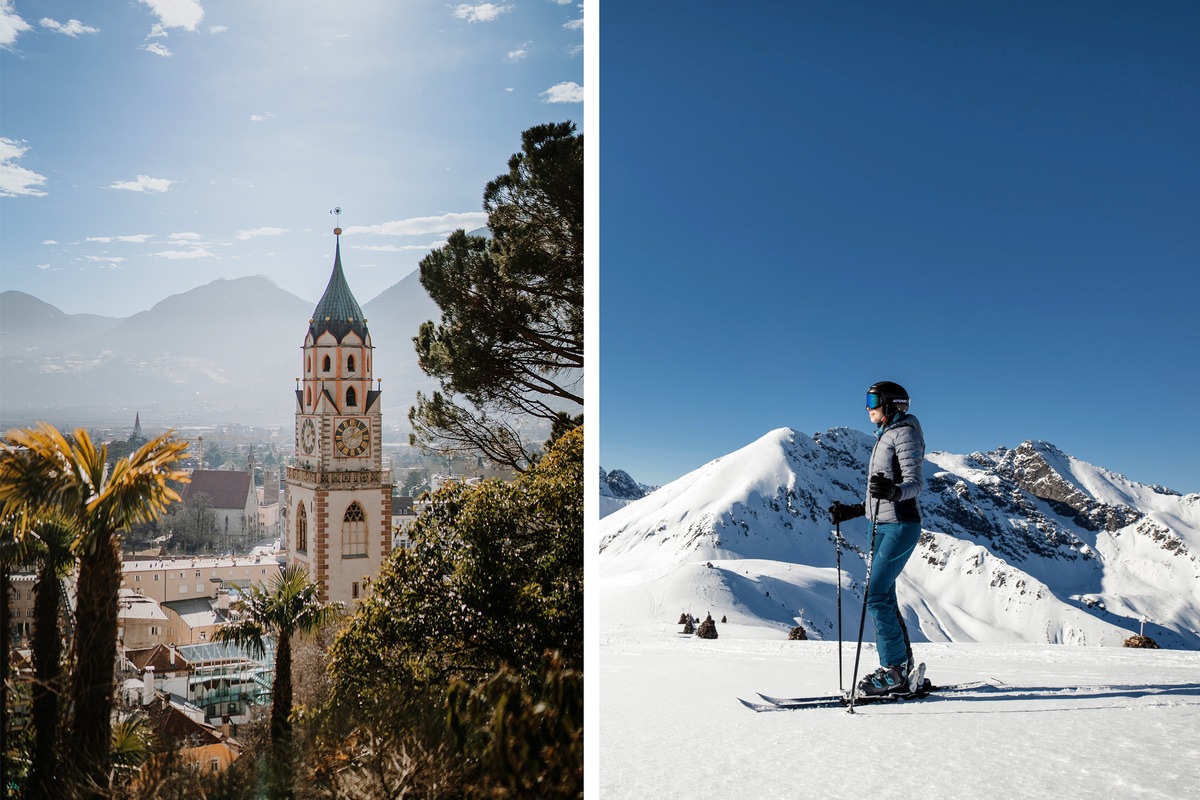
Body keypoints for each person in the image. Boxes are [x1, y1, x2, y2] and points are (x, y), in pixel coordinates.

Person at [829, 381, 925, 696]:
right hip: (880, 525)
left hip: (900, 525)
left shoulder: (905, 433)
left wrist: (895, 492)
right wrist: (855, 510)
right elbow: (880, 492)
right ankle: (903, 667)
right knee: (885, 595)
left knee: (876, 596)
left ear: (890, 403)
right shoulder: (886, 435)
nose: (868, 407)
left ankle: (894, 670)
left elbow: (914, 484)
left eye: (872, 400)